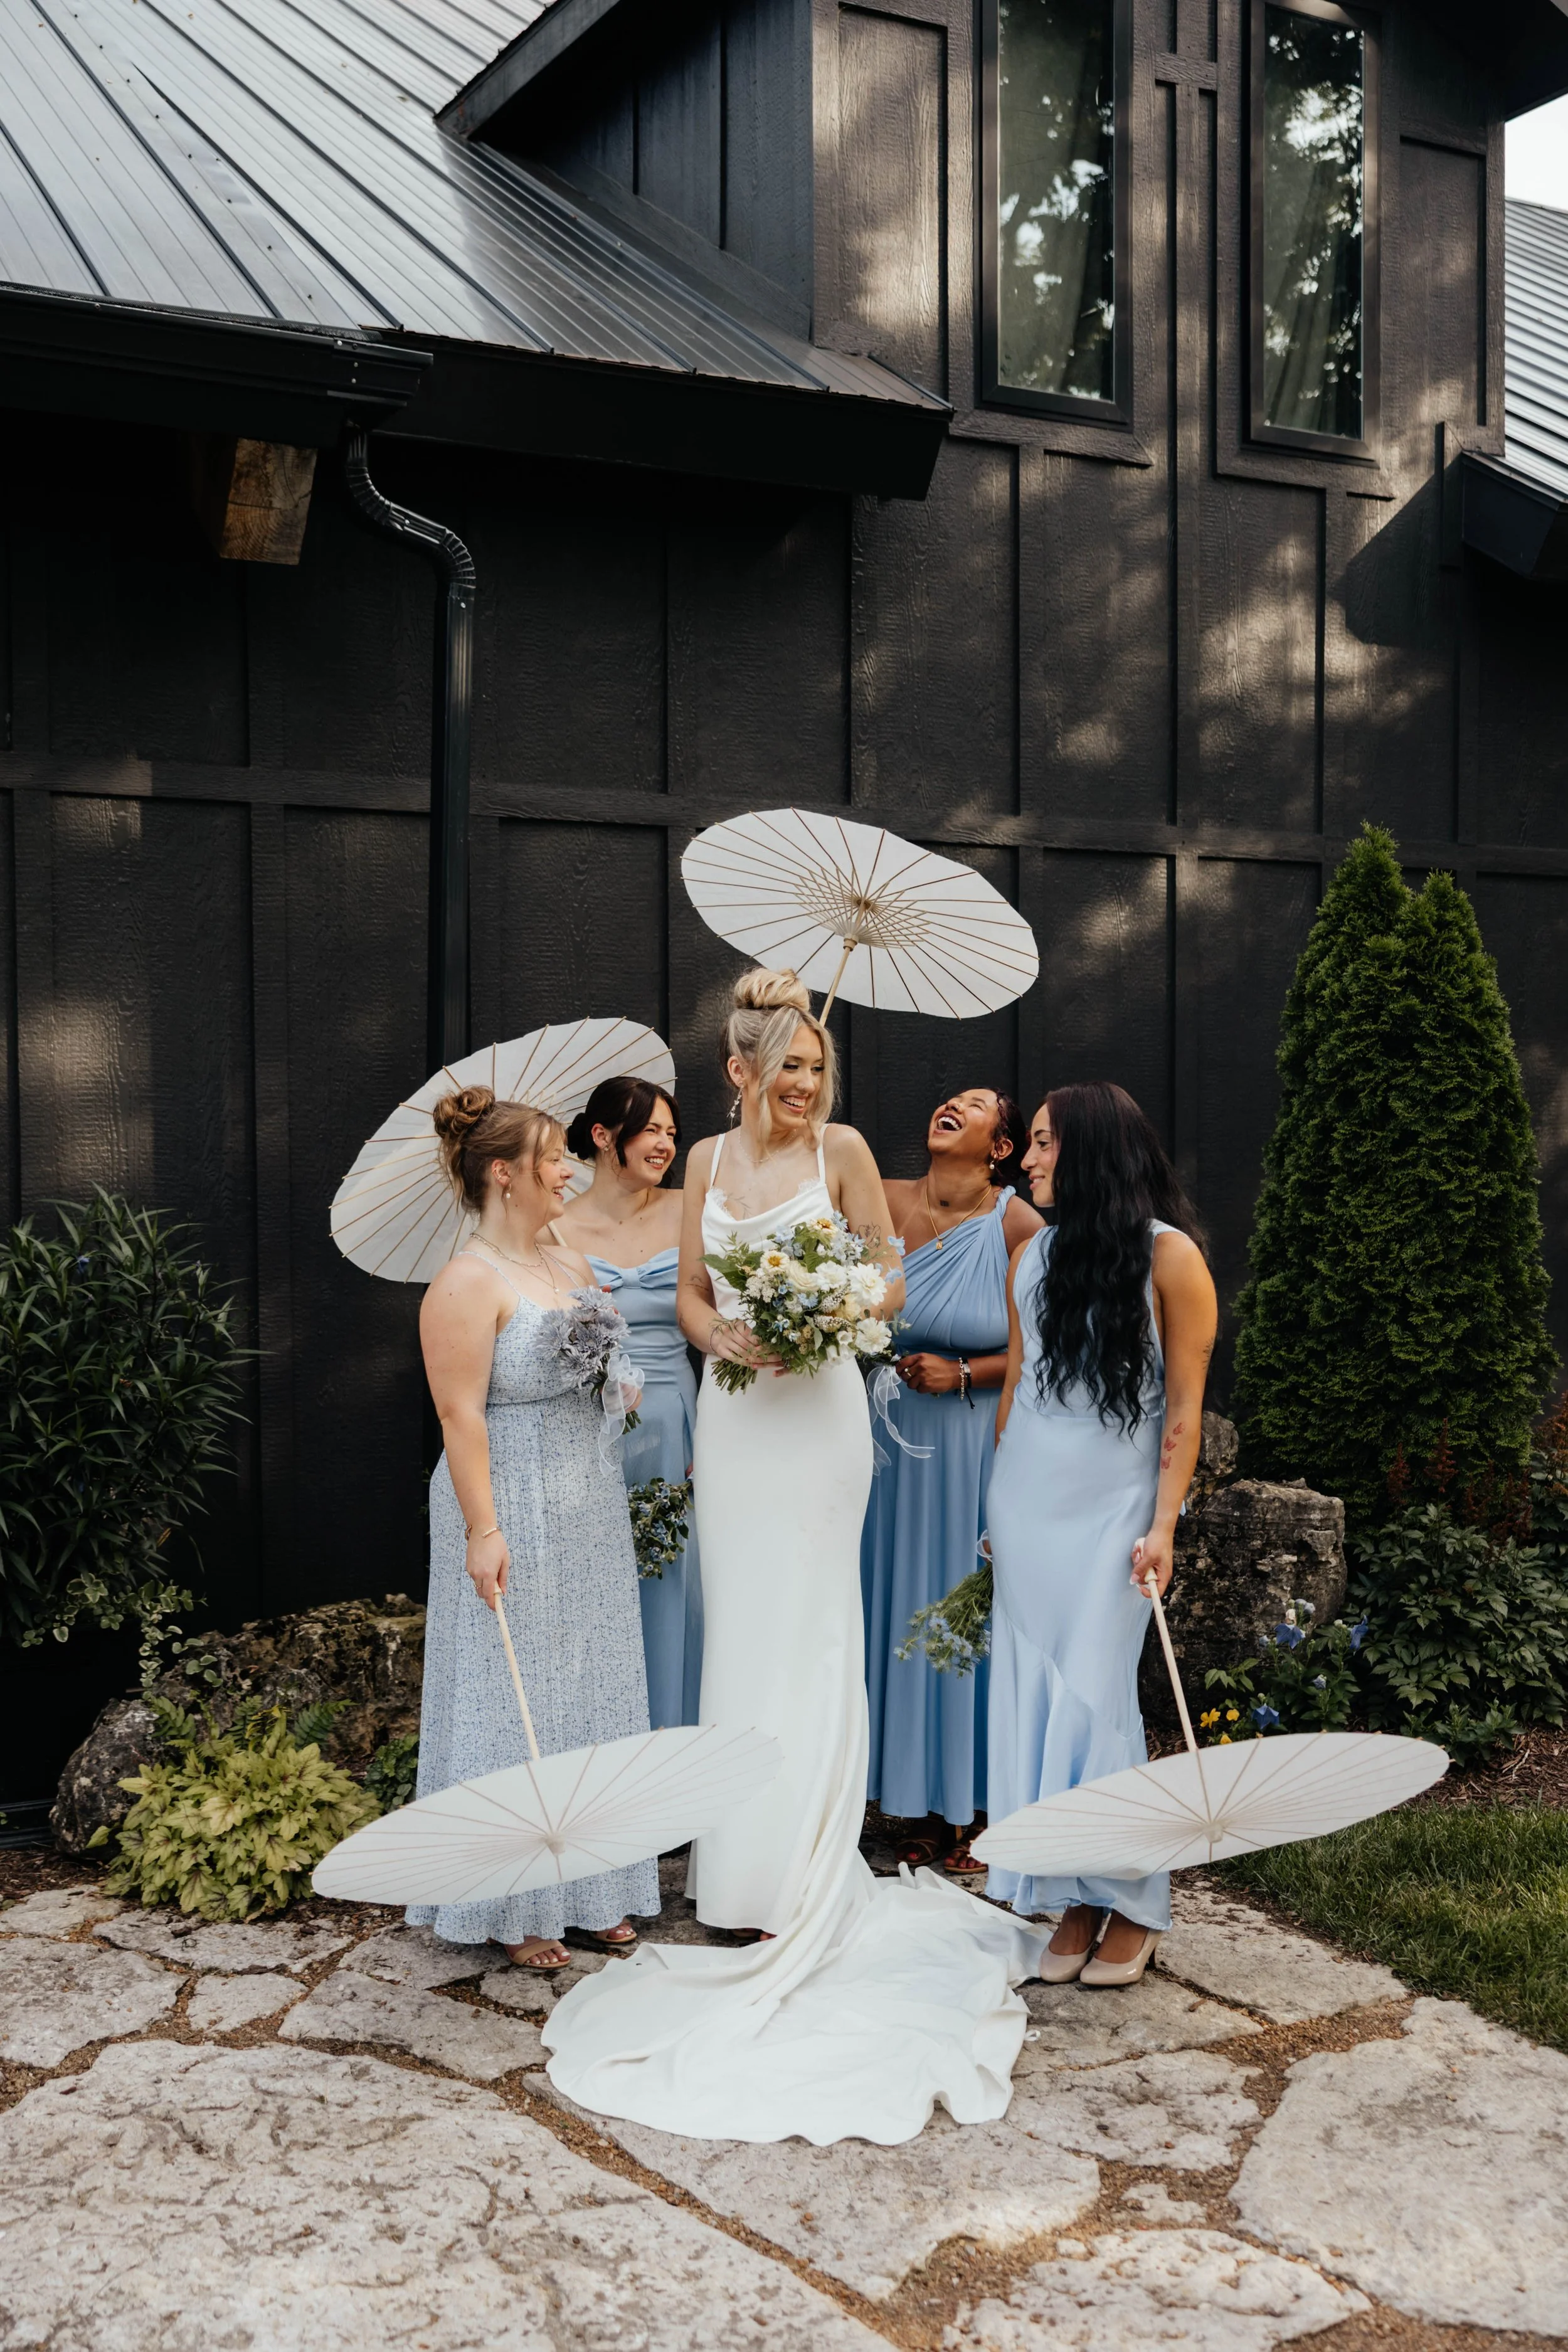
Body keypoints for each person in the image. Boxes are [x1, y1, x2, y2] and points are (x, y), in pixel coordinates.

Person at [543, 972, 1050, 2146]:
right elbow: (685, 1292)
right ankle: (738, 1879)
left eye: (818, 1070)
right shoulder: (709, 1169)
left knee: (814, 1625)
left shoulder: (849, 1151)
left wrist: (828, 1315)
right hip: (735, 1417)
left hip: (819, 1418)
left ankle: (813, 1874)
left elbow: (886, 1272)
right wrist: (725, 1330)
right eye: (789, 1072)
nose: (806, 1088)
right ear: (740, 1073)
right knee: (746, 1629)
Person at [411, 1086, 660, 1973]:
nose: (571, 1172)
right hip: (506, 1490)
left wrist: (616, 1379)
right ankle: (513, 1898)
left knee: (591, 1679)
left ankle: (596, 1887)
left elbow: (602, 1365)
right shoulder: (463, 1284)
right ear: (504, 1173)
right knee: (509, 1694)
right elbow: (459, 1414)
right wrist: (485, 1530)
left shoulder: (572, 1265)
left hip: (585, 1493)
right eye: (556, 1157)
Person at [985, 1082, 1217, 1986]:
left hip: (1118, 1512)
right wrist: (995, 1510)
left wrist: (1164, 1523)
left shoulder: (1172, 1257)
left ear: (1089, 1151)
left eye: (1042, 1143)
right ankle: (1071, 1893)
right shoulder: (1032, 1258)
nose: (1028, 1158)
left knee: (1098, 1697)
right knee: (1041, 1698)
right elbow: (1018, 1391)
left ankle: (1131, 1894)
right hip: (1027, 1506)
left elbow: (1186, 1411)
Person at [863, 1090, 1042, 1874]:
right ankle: (902, 1797)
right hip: (884, 1445)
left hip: (972, 1441)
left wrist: (965, 1370)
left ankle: (970, 1802)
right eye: (949, 1100)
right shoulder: (881, 1203)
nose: (949, 1106)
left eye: (973, 1108)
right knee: (890, 1600)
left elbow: (1045, 1348)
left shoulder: (1018, 1226)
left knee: (961, 1606)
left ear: (999, 1148)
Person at [550, 1074, 701, 1729]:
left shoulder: (689, 1207)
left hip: (678, 1419)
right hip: (594, 1426)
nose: (666, 1144)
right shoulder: (554, 1226)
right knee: (597, 1583)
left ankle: (674, 1745)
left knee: (677, 1581)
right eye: (651, 1130)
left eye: (672, 1132)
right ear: (604, 1135)